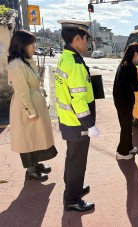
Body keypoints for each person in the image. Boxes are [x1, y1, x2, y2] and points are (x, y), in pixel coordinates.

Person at [55, 20, 100, 212]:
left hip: (67, 120)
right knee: (77, 160)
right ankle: (72, 199)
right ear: (77, 38)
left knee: (72, 157)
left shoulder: (66, 57)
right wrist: (89, 124)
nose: (87, 41)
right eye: (86, 38)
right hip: (77, 122)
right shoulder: (74, 64)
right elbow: (78, 100)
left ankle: (73, 187)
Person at [7, 30, 57, 181]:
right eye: (31, 43)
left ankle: (35, 164)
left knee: (35, 136)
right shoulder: (16, 65)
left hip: (33, 102)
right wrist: (30, 110)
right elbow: (22, 91)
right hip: (25, 106)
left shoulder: (24, 62)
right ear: (23, 45)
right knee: (27, 138)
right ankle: (30, 170)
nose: (34, 47)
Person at [113, 42, 138, 160]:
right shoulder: (130, 66)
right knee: (126, 126)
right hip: (124, 101)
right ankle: (122, 152)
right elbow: (136, 86)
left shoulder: (123, 64)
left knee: (126, 125)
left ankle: (129, 147)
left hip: (120, 100)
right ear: (136, 53)